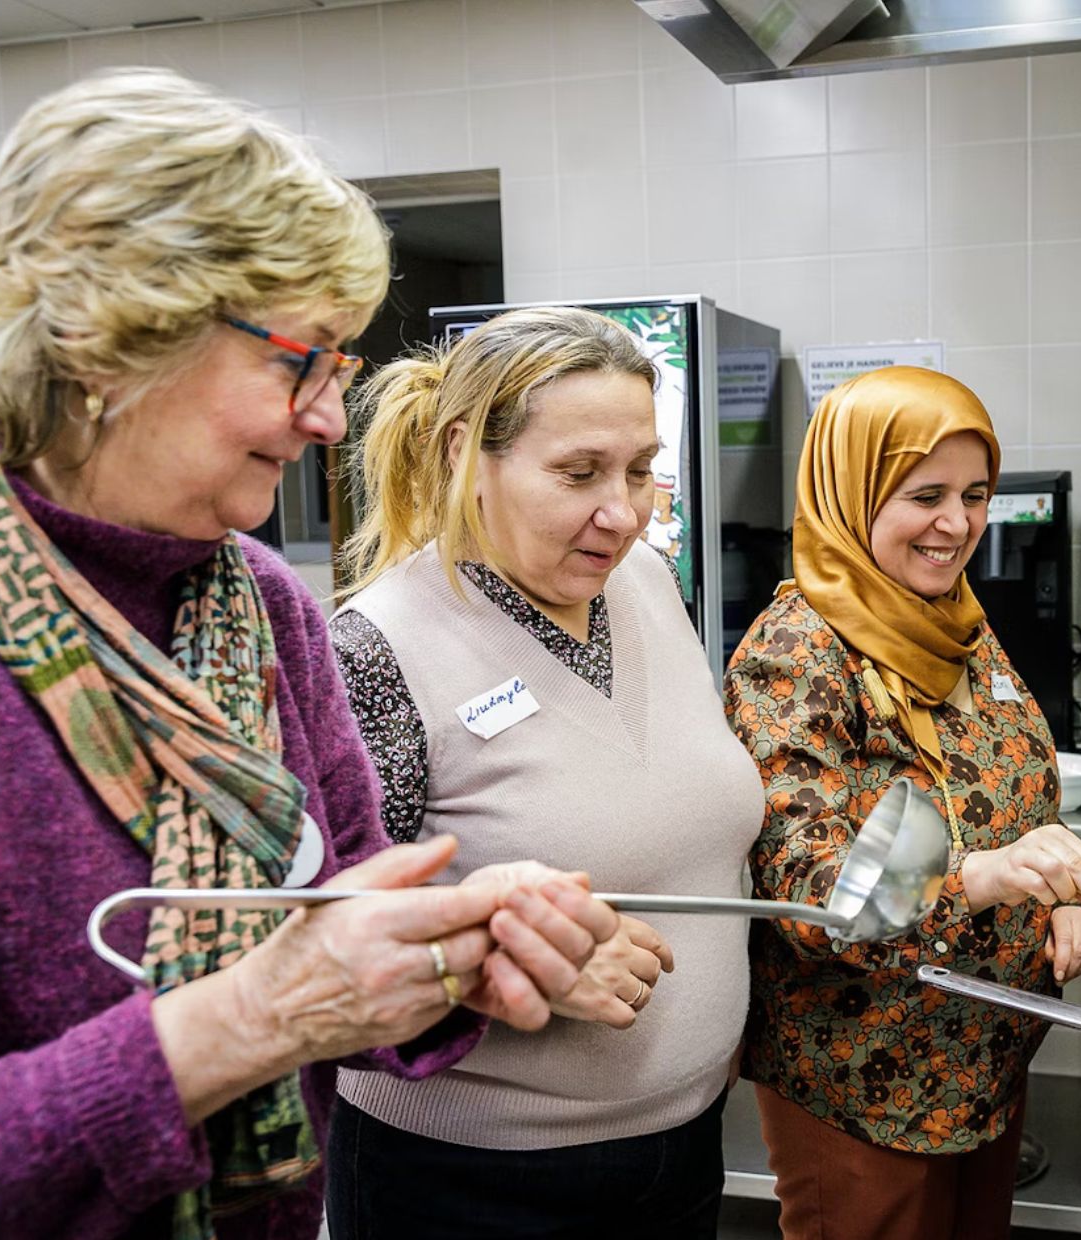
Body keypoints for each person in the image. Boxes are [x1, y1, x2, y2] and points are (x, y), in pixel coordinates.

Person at [0, 69, 618, 1240]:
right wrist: (252, 1021)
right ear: (103, 336)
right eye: (303, 359)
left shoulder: (254, 607)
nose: (333, 417)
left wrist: (450, 947)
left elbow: (342, 899)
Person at [324, 306, 765, 1239]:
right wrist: (503, 959)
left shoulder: (643, 582)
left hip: (681, 1147)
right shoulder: (378, 647)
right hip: (472, 1182)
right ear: (462, 457)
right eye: (578, 474)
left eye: (642, 470)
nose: (623, 511)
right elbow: (326, 949)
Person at [723, 365, 1081, 1240]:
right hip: (866, 1079)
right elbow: (808, 885)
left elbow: (1009, 792)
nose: (957, 524)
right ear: (852, 490)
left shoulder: (953, 618)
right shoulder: (798, 649)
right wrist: (981, 878)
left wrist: (1055, 892)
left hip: (982, 1059)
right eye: (925, 495)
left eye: (976, 494)